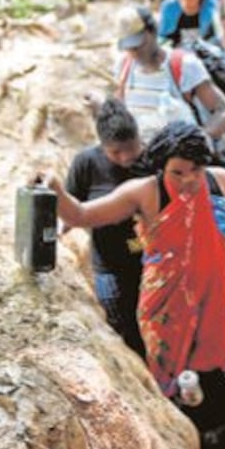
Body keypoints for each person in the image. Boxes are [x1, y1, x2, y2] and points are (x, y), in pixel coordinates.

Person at [41, 122, 225, 449]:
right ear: (161, 168)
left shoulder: (222, 181)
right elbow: (80, 215)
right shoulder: (143, 192)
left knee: (222, 371)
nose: (188, 181)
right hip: (167, 309)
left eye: (195, 170)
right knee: (175, 378)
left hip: (219, 299)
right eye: (178, 172)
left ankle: (224, 444)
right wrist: (56, 189)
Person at [64, 101, 147, 359]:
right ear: (102, 146)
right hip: (110, 266)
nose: (125, 157)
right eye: (115, 152)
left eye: (131, 148)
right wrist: (51, 234)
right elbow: (69, 209)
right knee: (123, 329)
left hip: (152, 263)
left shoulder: (153, 161)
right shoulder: (86, 163)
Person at [111, 4, 225, 149]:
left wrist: (200, 139)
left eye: (138, 45)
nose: (134, 52)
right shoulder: (124, 67)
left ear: (153, 32)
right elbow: (120, 113)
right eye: (128, 48)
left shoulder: (184, 65)